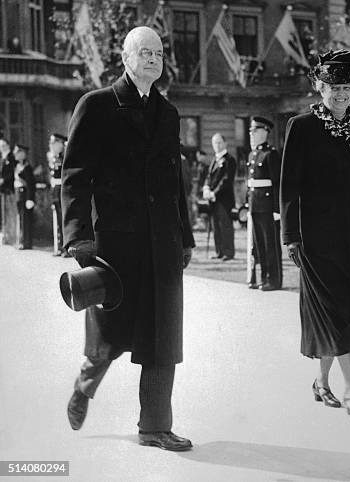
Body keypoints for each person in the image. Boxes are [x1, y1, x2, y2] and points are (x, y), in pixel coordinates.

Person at [61, 26, 195, 451]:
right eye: (145, 52)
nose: (154, 59)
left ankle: (155, 426)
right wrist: (78, 236)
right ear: (125, 57)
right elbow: (76, 175)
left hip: (163, 245)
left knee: (162, 338)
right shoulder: (97, 106)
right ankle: (84, 386)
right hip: (116, 248)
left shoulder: (169, 113)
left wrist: (186, 236)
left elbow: (176, 184)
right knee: (109, 337)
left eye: (158, 52)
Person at [280, 50, 350, 417]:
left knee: (348, 311)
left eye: (346, 87)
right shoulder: (302, 126)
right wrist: (290, 236)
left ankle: (321, 382)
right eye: (332, 87)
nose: (340, 94)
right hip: (315, 240)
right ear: (319, 87)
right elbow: (289, 186)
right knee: (330, 311)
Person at [247, 116, 282, 290]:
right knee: (258, 243)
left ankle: (273, 279)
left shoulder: (271, 154)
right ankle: (261, 277)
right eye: (251, 131)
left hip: (268, 207)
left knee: (270, 244)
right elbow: (250, 183)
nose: (251, 134)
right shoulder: (253, 154)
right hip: (255, 205)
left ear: (264, 132)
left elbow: (277, 183)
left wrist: (277, 209)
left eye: (255, 131)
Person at [203, 133, 236, 260]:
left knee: (225, 225)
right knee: (215, 226)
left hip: (224, 199)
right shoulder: (214, 160)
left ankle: (228, 252)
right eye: (214, 143)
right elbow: (208, 177)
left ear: (225, 143)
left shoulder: (230, 160)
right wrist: (206, 188)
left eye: (219, 142)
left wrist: (214, 193)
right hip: (213, 200)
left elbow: (226, 180)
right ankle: (219, 252)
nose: (217, 145)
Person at [48, 133, 67, 256]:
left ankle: (66, 248)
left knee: (64, 220)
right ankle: (59, 246)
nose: (52, 146)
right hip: (55, 191)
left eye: (54, 143)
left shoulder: (65, 157)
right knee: (58, 221)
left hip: (62, 191)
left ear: (61, 144)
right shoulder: (54, 158)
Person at [13, 144, 35, 250]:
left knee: (26, 220)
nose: (14, 154)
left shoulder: (27, 167)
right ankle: (21, 240)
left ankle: (26, 242)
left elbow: (30, 185)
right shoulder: (17, 166)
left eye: (17, 152)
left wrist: (30, 198)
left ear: (23, 154)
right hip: (19, 195)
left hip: (25, 196)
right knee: (20, 219)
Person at [0, 136, 16, 231]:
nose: (1, 148)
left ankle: (10, 233)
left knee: (9, 212)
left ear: (8, 146)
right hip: (2, 189)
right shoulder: (2, 158)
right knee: (3, 213)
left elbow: (12, 172)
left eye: (3, 145)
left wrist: (4, 180)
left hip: (9, 189)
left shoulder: (11, 157)